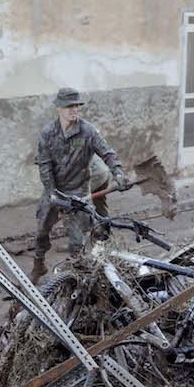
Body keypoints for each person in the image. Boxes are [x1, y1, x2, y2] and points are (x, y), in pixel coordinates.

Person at [32, 87, 132, 282]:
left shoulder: (87, 131)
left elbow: (107, 153)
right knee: (42, 229)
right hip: (54, 190)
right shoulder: (47, 133)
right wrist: (51, 192)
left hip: (78, 191)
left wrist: (118, 172)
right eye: (69, 106)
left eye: (76, 106)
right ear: (59, 109)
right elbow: (44, 165)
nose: (74, 110)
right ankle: (39, 265)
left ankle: (74, 276)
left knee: (77, 240)